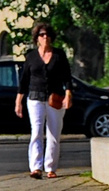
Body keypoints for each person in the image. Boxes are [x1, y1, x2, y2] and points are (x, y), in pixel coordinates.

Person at [14, 22, 72, 178]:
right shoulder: (31, 56)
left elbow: (67, 76)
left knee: (54, 133)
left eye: (47, 34)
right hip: (35, 98)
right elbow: (24, 80)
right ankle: (36, 167)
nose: (45, 37)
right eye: (41, 35)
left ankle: (51, 167)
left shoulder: (59, 55)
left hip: (55, 98)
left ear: (51, 37)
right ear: (36, 38)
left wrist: (68, 94)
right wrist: (18, 101)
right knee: (36, 132)